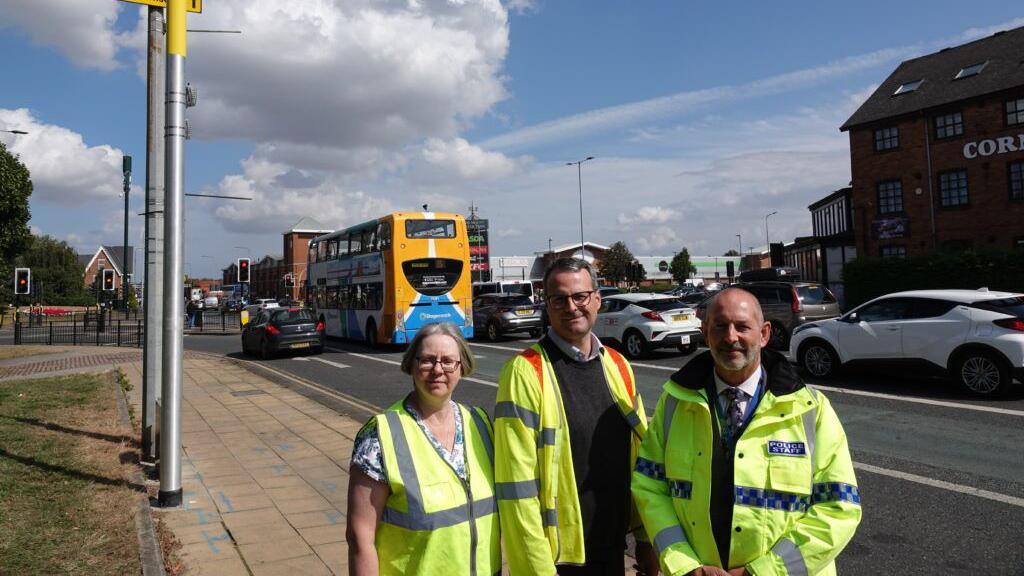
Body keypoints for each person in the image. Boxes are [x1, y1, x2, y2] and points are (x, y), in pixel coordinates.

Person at [632, 288, 862, 576]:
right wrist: (685, 566)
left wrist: (761, 572)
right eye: (720, 326)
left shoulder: (811, 410)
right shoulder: (674, 402)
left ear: (764, 334)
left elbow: (839, 507)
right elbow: (650, 488)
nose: (730, 337)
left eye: (742, 326)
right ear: (705, 333)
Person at [495, 257, 659, 576]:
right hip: (559, 560)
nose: (571, 307)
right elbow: (517, 488)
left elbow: (641, 461)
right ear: (547, 305)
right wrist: (537, 569)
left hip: (613, 549)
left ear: (596, 299)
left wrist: (645, 538)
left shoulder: (618, 365)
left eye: (580, 296)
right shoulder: (525, 372)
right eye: (559, 299)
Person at [346, 322, 499, 575]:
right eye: (427, 360)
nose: (438, 370)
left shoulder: (480, 423)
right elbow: (360, 538)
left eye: (448, 361)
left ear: (462, 368)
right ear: (412, 365)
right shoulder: (380, 434)